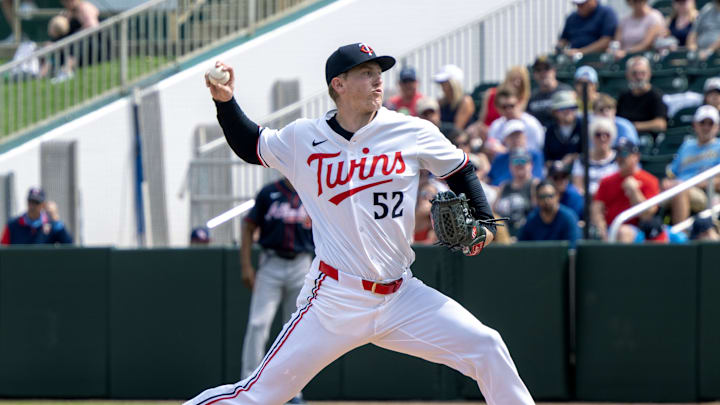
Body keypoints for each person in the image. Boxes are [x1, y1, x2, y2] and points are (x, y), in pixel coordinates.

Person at [190, 42, 534, 405]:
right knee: (259, 395)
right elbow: (251, 144)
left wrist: (485, 221)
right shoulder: (303, 137)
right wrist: (225, 102)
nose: (378, 81)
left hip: (401, 295)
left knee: (486, 347)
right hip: (334, 300)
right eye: (366, 73)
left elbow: (460, 167)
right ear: (338, 84)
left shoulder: (410, 131)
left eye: (379, 73)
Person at [239, 178, 314, 405]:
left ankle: (292, 391)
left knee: (295, 330)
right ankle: (248, 385)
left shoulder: (311, 189)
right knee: (257, 324)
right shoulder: (269, 192)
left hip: (302, 263)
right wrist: (245, 265)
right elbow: (248, 225)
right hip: (271, 262)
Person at [591, 138, 660, 242]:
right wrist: (602, 230)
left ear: (636, 157)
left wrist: (634, 192)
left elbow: (648, 215)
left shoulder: (650, 180)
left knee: (623, 232)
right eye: (617, 154)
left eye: (624, 153)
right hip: (610, 229)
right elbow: (596, 210)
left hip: (640, 232)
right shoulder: (606, 181)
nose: (620, 158)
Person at [663, 105, 720, 223]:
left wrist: (697, 183)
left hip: (707, 193)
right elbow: (672, 173)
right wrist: (667, 182)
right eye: (702, 122)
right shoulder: (687, 146)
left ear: (717, 127)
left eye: (710, 123)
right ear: (695, 125)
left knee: (681, 190)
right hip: (679, 187)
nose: (706, 127)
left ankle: (680, 237)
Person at [493, 148, 539, 239]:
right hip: (503, 234)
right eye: (516, 161)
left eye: (523, 161)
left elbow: (537, 214)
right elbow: (494, 212)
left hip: (524, 234)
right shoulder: (504, 186)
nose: (519, 164)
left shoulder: (534, 185)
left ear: (531, 165)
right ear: (510, 166)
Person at [486, 86, 545, 156]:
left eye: (511, 106)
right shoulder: (496, 125)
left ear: (519, 103)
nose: (508, 110)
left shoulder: (531, 124)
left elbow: (535, 151)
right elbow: (491, 146)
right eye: (504, 107)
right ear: (498, 108)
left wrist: (505, 151)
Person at [1, 187, 73, 245]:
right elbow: (3, 249)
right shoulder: (13, 225)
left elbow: (69, 246)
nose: (32, 206)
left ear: (43, 205)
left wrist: (56, 221)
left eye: (36, 202)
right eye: (30, 201)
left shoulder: (52, 225)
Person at [616, 56, 668, 135]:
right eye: (634, 73)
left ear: (649, 74)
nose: (639, 77)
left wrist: (633, 126)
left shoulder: (656, 95)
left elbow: (661, 124)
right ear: (627, 75)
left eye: (642, 73)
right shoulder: (624, 96)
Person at [517, 181, 580, 247]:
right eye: (542, 197)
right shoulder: (531, 219)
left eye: (550, 196)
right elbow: (521, 247)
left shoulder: (568, 218)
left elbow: (573, 248)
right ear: (537, 199)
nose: (546, 200)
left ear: (557, 196)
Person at [487, 119, 545, 186]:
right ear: (505, 140)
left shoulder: (534, 155)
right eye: (512, 137)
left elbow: (537, 181)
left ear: (524, 137)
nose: (516, 139)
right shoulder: (500, 158)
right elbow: (489, 179)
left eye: (519, 136)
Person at [573, 117, 620, 197]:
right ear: (592, 137)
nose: (602, 138)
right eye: (598, 135)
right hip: (587, 200)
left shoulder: (619, 159)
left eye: (607, 135)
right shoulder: (582, 159)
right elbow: (577, 186)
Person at [527, 55, 573, 129]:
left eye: (546, 69)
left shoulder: (566, 91)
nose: (542, 73)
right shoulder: (532, 97)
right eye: (538, 70)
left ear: (554, 71)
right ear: (534, 74)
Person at [543, 90, 582, 167]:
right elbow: (546, 159)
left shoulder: (583, 126)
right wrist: (557, 165)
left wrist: (573, 157)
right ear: (554, 112)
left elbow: (591, 153)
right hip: (557, 176)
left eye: (571, 108)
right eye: (562, 108)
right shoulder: (550, 130)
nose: (567, 112)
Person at [434, 64, 476, 130]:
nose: (442, 86)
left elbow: (457, 129)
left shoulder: (466, 101)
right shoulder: (441, 102)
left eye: (444, 82)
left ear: (453, 84)